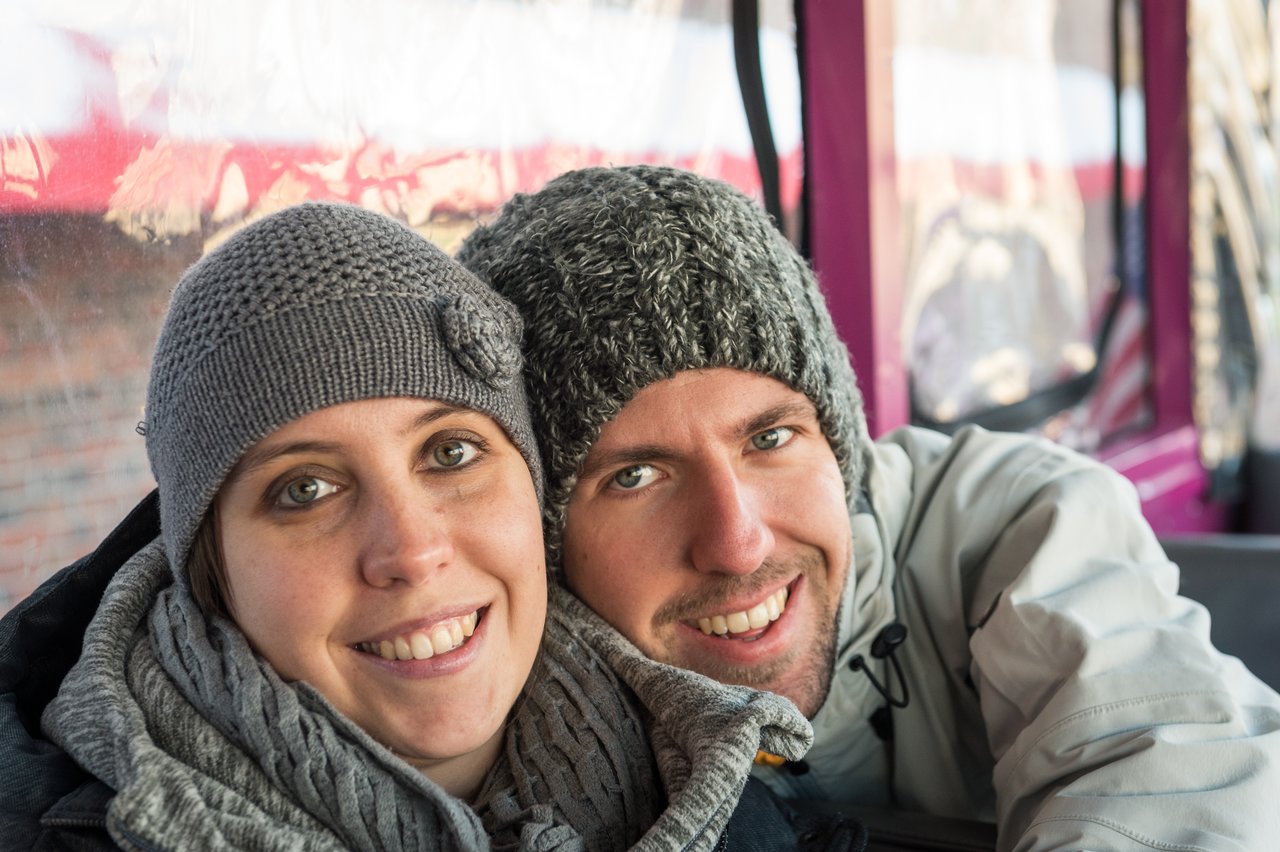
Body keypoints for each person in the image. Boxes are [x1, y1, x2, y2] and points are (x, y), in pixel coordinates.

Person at [456, 164, 1280, 850]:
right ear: (544, 533)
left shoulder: (1013, 521)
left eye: (771, 439)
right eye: (636, 476)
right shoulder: (492, 676)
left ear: (840, 445)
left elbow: (1165, 762)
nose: (738, 544)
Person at [0, 201, 833, 851]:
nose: (412, 550)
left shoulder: (716, 764)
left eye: (452, 452)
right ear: (208, 569)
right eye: (306, 489)